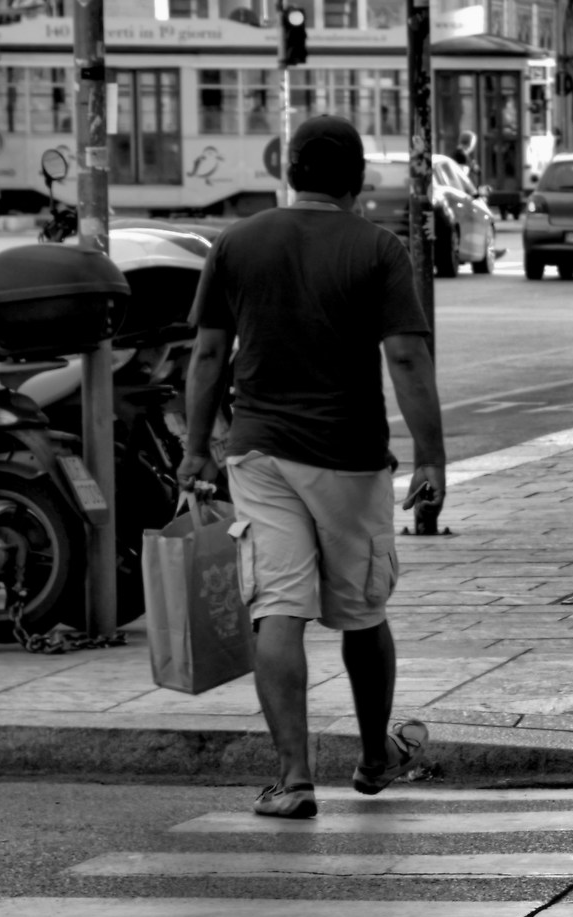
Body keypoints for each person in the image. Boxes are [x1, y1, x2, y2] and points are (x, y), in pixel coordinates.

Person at [177, 114, 442, 821]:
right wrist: (432, 455)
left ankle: (294, 778)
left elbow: (206, 356)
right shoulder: (378, 249)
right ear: (357, 180)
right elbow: (408, 358)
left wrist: (196, 446)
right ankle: (374, 758)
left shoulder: (237, 243)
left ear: (290, 172)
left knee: (278, 610)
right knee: (362, 614)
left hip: (258, 453)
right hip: (349, 460)